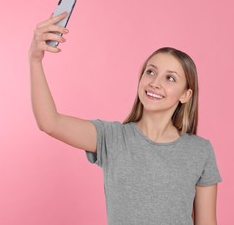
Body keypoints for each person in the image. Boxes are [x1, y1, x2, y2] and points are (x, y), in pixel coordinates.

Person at [29, 12, 222, 225]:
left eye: (170, 78)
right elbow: (50, 122)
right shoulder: (112, 138)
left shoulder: (200, 151)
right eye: (150, 72)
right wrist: (35, 60)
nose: (155, 83)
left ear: (186, 94)